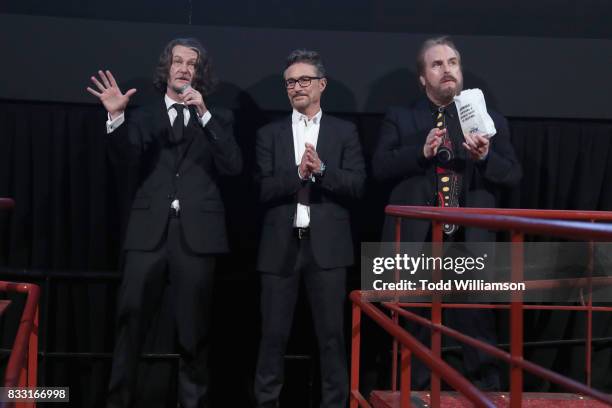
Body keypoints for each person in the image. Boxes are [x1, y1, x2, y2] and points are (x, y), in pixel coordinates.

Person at [87, 37, 242, 408]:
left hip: (197, 239)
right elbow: (123, 159)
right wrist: (115, 117)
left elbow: (233, 166)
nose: (184, 68)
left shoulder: (219, 118)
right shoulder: (142, 115)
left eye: (192, 63)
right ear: (167, 68)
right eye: (177, 61)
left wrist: (204, 114)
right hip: (148, 235)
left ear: (199, 73)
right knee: (130, 327)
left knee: (195, 335)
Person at [372, 36, 521, 390]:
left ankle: (488, 399)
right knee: (416, 338)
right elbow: (379, 168)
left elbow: (513, 174)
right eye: (436, 65)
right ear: (423, 78)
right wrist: (420, 152)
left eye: (452, 62)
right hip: (418, 245)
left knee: (478, 339)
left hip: (470, 245)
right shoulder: (401, 117)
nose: (447, 70)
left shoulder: (490, 120)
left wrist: (484, 158)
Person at [253, 49, 365, 408]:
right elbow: (261, 189)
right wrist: (298, 174)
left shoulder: (344, 131)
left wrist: (323, 172)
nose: (297, 87)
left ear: (322, 84)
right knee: (272, 337)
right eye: (290, 82)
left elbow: (358, 186)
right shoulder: (269, 133)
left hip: (328, 250)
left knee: (332, 338)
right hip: (279, 248)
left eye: (304, 80)